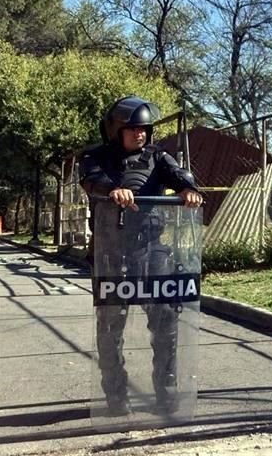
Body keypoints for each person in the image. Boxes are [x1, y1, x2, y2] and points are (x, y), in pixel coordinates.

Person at [79, 96, 202, 416]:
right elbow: (91, 180)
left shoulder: (157, 157)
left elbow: (178, 174)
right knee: (110, 328)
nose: (140, 134)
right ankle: (115, 395)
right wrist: (111, 190)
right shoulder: (95, 156)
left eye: (144, 129)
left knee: (166, 323)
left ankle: (167, 389)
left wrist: (187, 189)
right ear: (116, 129)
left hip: (151, 249)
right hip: (112, 251)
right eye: (133, 129)